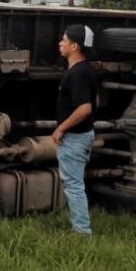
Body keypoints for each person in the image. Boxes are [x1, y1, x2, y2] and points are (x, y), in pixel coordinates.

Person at [52, 24, 97, 235]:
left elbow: (85, 108)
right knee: (74, 183)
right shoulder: (86, 70)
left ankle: (82, 232)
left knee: (74, 185)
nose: (61, 43)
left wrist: (61, 129)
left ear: (75, 45)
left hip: (74, 138)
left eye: (64, 39)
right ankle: (80, 228)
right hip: (81, 137)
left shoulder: (77, 74)